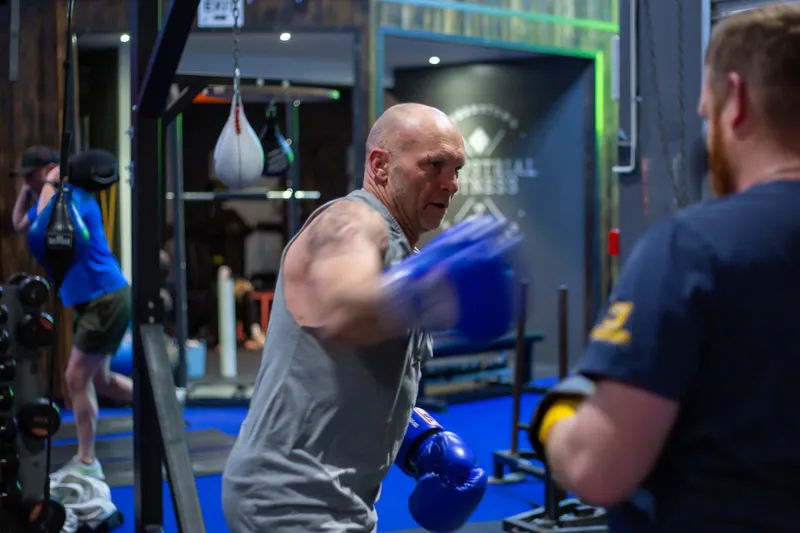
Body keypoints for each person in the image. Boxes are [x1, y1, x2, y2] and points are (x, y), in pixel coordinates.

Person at [529, 5, 800, 532]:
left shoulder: (694, 247)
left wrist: (556, 417)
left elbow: (596, 470)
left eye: (707, 112)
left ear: (736, 101)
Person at [222, 103, 519, 533]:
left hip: (339, 501)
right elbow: (347, 312)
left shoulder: (402, 250)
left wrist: (416, 434)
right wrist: (441, 288)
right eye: (434, 165)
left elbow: (352, 361)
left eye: (456, 168)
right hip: (289, 500)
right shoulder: (351, 221)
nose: (451, 184)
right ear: (380, 165)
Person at [11, 145, 132, 480]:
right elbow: (21, 224)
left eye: (29, 175)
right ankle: (163, 404)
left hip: (105, 296)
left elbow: (45, 222)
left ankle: (87, 461)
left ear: (49, 169)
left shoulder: (71, 198)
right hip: (92, 300)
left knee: (75, 377)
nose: (27, 182)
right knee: (100, 380)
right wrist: (29, 189)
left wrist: (50, 181)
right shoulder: (49, 198)